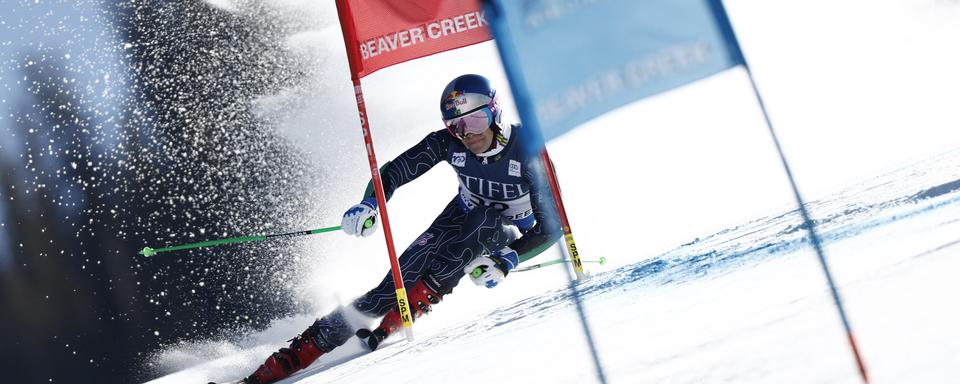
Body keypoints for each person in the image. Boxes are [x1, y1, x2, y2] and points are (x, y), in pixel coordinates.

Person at [243, 74, 562, 384]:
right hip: (458, 218)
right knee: (385, 290)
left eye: (475, 121)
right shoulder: (450, 144)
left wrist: (508, 258)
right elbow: (396, 171)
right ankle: (282, 364)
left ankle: (418, 300)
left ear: (494, 112)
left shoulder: (528, 151)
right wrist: (370, 204)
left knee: (484, 220)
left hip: (502, 234)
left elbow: (551, 228)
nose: (467, 134)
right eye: (456, 126)